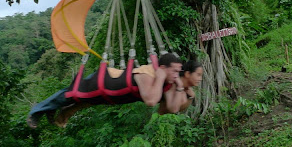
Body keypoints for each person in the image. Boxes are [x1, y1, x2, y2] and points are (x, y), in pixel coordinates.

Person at [27, 53, 183, 128]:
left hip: (111, 93)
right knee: (72, 93)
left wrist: (181, 87)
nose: (177, 76)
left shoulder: (165, 83)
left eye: (179, 72)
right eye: (174, 71)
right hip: (106, 80)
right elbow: (150, 101)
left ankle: (52, 110)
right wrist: (162, 77)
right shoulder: (147, 73)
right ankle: (36, 111)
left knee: (80, 101)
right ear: (162, 69)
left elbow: (170, 109)